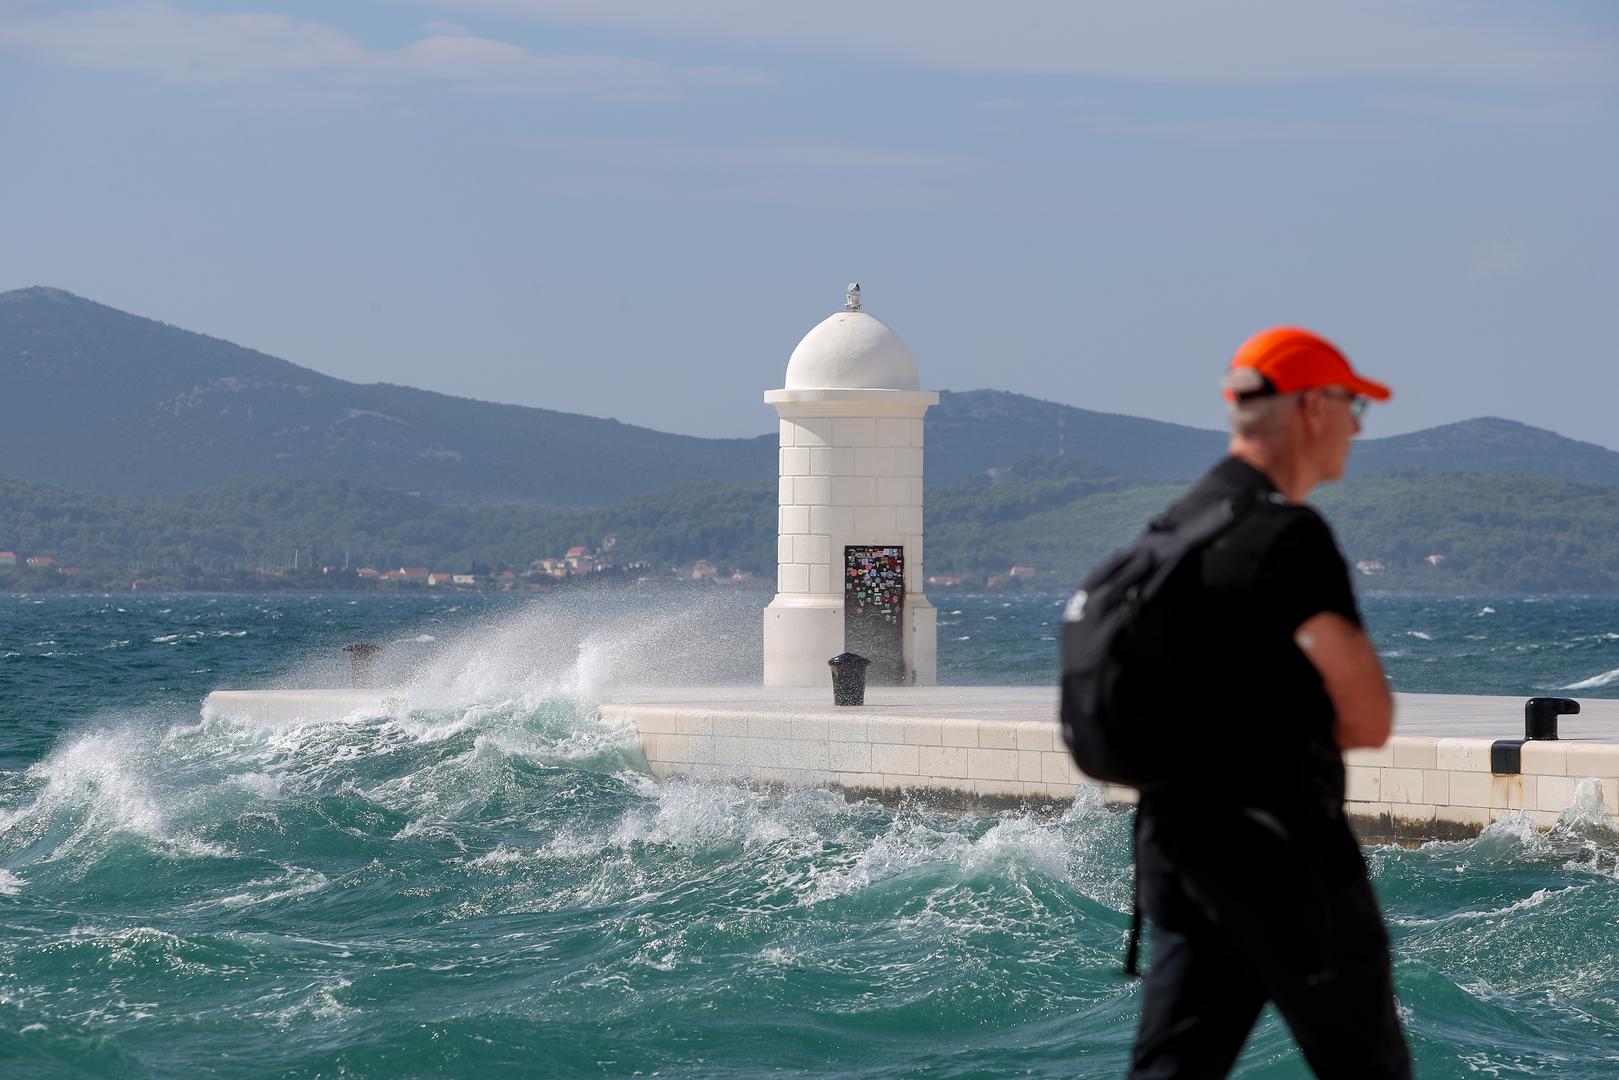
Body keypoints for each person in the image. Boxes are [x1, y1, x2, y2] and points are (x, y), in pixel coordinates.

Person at [1125, 327, 1412, 1079]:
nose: (1356, 425)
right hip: (1285, 863)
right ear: (1311, 407)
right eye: (1352, 405)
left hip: (1176, 856)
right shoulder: (1287, 536)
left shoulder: (1167, 532)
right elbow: (1368, 719)